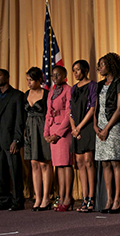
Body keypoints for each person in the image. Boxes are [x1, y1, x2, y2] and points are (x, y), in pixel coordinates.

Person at [0, 69, 25, 211]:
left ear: (7, 76)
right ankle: (4, 199)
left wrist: (17, 139)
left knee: (15, 172)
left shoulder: (17, 95)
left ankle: (18, 200)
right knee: (0, 173)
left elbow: (20, 120)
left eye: (0, 75)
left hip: (11, 140)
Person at [44, 65, 73, 212]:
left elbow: (69, 114)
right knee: (58, 166)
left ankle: (68, 197)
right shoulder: (51, 91)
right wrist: (46, 133)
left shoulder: (69, 90)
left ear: (65, 75)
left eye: (58, 75)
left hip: (64, 131)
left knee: (66, 164)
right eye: (53, 75)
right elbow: (48, 113)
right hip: (52, 130)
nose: (55, 78)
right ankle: (61, 197)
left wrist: (58, 134)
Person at [94, 53, 120, 214]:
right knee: (104, 162)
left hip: (114, 125)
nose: (99, 68)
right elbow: (95, 108)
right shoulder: (98, 85)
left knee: (115, 162)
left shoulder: (118, 83)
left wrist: (107, 128)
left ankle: (118, 199)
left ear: (110, 65)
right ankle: (109, 199)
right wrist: (95, 126)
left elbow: (119, 108)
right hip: (100, 126)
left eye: (102, 64)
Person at [69, 60, 97, 212]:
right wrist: (73, 127)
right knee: (79, 163)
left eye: (78, 70)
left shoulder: (92, 85)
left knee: (88, 161)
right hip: (76, 129)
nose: (75, 73)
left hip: (86, 128)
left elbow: (93, 107)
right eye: (74, 70)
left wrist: (79, 127)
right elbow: (71, 110)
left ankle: (92, 198)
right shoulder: (73, 88)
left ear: (86, 70)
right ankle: (84, 197)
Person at [24, 67, 52, 211]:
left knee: (44, 164)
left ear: (39, 80)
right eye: (27, 80)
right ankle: (38, 197)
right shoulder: (26, 94)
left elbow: (50, 114)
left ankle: (46, 198)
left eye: (31, 80)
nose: (28, 82)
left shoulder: (46, 94)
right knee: (34, 163)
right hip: (29, 129)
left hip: (42, 128)